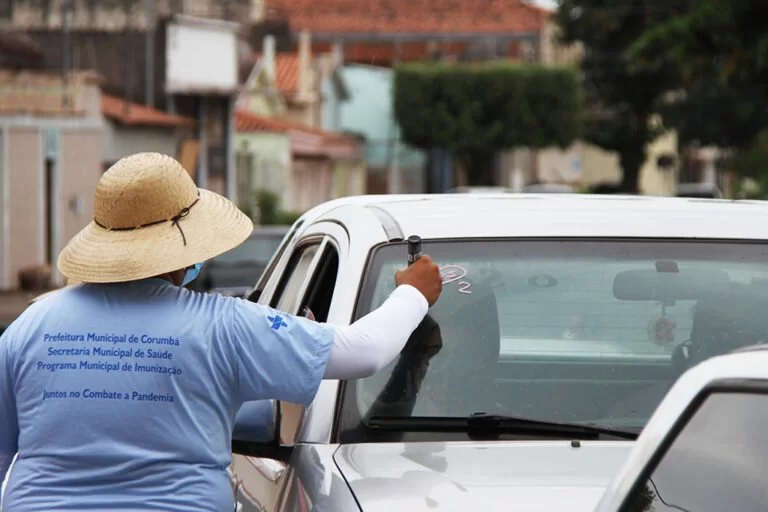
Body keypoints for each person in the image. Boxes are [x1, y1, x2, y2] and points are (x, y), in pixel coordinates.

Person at [0, 152, 443, 511]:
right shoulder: (223, 325)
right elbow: (364, 352)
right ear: (183, 247)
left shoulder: (29, 327)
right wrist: (413, 294)